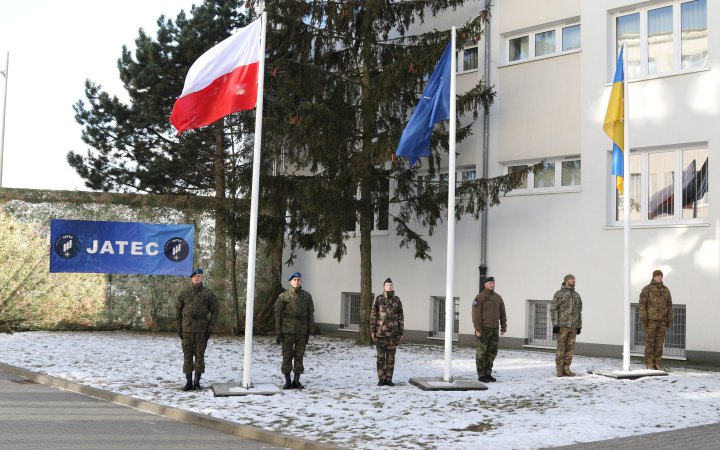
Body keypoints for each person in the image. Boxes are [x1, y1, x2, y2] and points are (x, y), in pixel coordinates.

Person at [175, 268, 219, 391]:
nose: (196, 278)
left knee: (200, 356)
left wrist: (210, 328)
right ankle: (188, 382)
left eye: (199, 276)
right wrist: (179, 326)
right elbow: (178, 310)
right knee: (187, 355)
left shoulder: (208, 294)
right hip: (187, 329)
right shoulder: (184, 293)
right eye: (194, 276)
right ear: (191, 278)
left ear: (202, 277)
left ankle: (197, 382)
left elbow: (215, 311)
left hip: (202, 329)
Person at [275, 272, 315, 389]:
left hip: (301, 331)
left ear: (300, 281)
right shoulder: (284, 296)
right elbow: (277, 314)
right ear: (290, 282)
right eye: (294, 280)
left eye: (298, 279)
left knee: (299, 355)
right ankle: (287, 380)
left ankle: (296, 380)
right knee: (287, 355)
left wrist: (309, 331)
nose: (296, 282)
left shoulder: (307, 296)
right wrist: (278, 332)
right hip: (287, 331)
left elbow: (310, 315)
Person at [471, 276, 507, 383]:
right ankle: (481, 374)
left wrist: (503, 327)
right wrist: (478, 329)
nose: (492, 285)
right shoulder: (480, 297)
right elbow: (475, 315)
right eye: (490, 283)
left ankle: (488, 373)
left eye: (493, 283)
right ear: (485, 285)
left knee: (492, 352)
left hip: (494, 329)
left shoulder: (498, 298)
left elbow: (503, 313)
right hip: (483, 329)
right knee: (481, 352)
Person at [370, 277, 404, 386]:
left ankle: (389, 379)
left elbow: (400, 317)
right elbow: (373, 315)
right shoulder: (379, 299)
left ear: (392, 287)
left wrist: (401, 332)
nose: (389, 287)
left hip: (393, 335)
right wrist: (372, 330)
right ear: (384, 287)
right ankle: (381, 378)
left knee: (390, 358)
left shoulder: (397, 300)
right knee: (380, 358)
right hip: (380, 334)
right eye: (387, 285)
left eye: (390, 285)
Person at [639, 269, 673, 370]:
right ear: (653, 277)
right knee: (650, 342)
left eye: (661, 276)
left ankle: (657, 363)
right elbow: (642, 305)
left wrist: (669, 319)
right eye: (658, 275)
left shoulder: (666, 290)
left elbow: (669, 305)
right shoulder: (647, 289)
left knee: (659, 343)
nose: (660, 277)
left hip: (662, 321)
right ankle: (649, 363)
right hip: (651, 321)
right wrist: (644, 318)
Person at [551, 274, 583, 377]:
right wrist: (555, 324)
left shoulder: (577, 295)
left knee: (570, 349)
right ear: (566, 281)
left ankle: (566, 368)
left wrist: (579, 326)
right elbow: (554, 309)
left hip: (573, 327)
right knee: (561, 348)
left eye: (574, 279)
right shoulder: (559, 294)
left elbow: (579, 311)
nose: (574, 280)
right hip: (562, 326)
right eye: (571, 279)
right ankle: (559, 369)